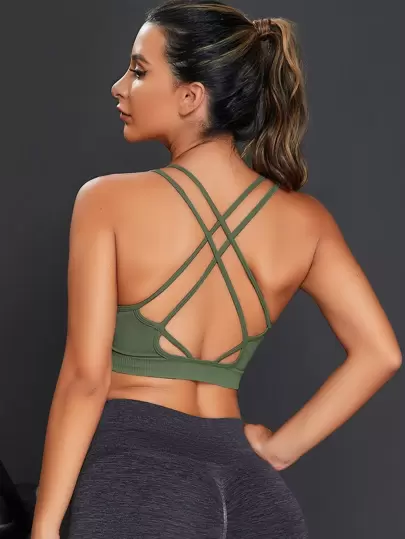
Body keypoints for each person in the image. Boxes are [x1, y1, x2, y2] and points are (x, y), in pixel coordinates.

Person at [30, 1, 402, 538]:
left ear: (191, 96)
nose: (119, 87)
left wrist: (44, 528)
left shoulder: (105, 201)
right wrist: (279, 449)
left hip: (139, 483)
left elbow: (87, 379)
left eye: (138, 71)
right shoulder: (306, 221)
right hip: (253, 494)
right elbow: (381, 353)